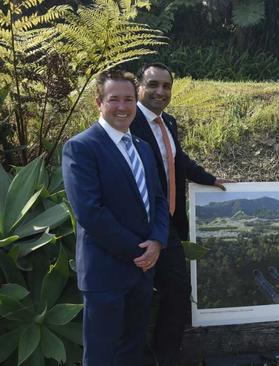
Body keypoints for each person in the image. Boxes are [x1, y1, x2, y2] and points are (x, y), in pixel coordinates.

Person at [62, 69, 169, 365]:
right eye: (114, 99)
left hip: (142, 272)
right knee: (101, 356)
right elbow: (90, 213)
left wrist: (158, 241)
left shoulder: (143, 148)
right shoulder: (81, 147)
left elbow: (159, 200)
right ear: (99, 102)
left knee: (132, 351)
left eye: (129, 99)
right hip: (105, 273)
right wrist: (140, 251)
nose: (122, 107)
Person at [130, 62, 230, 366]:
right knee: (137, 296)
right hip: (136, 227)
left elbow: (177, 160)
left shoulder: (168, 123)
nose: (160, 91)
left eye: (166, 86)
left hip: (169, 224)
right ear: (139, 87)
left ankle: (165, 357)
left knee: (177, 290)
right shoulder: (128, 121)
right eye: (153, 85)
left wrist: (210, 179)